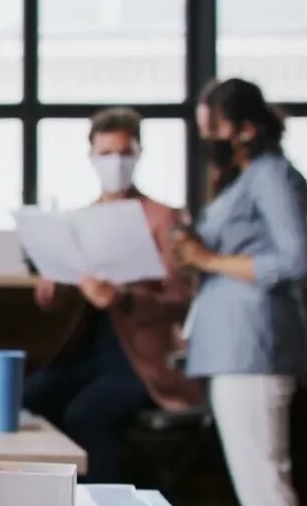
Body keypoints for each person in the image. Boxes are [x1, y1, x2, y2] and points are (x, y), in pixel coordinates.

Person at [174, 78, 307, 506]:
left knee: (265, 485)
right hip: (232, 349)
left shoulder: (273, 176)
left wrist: (209, 259)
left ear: (246, 128)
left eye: (213, 126)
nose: (206, 137)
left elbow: (297, 260)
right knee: (256, 484)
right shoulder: (243, 179)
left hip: (255, 350)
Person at [23, 107, 203, 483]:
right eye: (106, 154)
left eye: (124, 153)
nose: (115, 163)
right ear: (91, 157)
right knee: (24, 403)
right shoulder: (79, 219)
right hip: (88, 351)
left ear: (138, 154)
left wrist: (123, 297)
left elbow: (182, 295)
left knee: (85, 415)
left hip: (139, 360)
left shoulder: (163, 217)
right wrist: (53, 282)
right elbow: (56, 302)